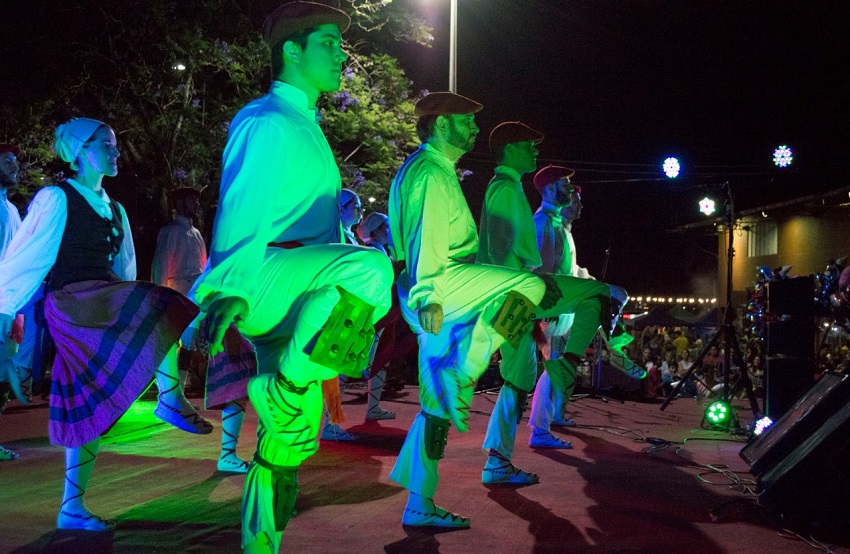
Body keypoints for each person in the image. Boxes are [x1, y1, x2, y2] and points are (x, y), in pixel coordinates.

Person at [190, 3, 393, 551]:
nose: (341, 53)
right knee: (373, 271)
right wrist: (227, 288)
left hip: (295, 286)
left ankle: (261, 543)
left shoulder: (304, 122)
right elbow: (242, 205)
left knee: (289, 440)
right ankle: (288, 381)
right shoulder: (268, 119)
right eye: (328, 41)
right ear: (292, 51)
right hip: (266, 275)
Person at [387, 93, 636, 528]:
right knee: (574, 299)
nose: (474, 129)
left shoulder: (428, 171)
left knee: (439, 405)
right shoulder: (444, 176)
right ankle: (555, 374)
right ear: (442, 124)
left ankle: (421, 502)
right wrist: (437, 297)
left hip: (456, 297)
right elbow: (480, 254)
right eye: (466, 121)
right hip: (462, 297)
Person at [0, 118, 212, 530]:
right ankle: (169, 396)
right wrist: (6, 320)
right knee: (162, 301)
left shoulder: (115, 208)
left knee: (86, 403)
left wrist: (128, 304)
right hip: (73, 302)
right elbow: (23, 262)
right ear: (81, 150)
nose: (116, 152)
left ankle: (71, 507)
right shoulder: (56, 198)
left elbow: (125, 267)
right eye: (107, 145)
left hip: (104, 299)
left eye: (116, 145)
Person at [476, 121, 547, 481]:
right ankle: (497, 460)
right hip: (510, 296)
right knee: (519, 374)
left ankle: (498, 456)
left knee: (520, 374)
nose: (535, 151)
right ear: (510, 149)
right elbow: (502, 252)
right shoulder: (504, 190)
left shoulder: (508, 187)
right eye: (529, 145)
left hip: (512, 293)